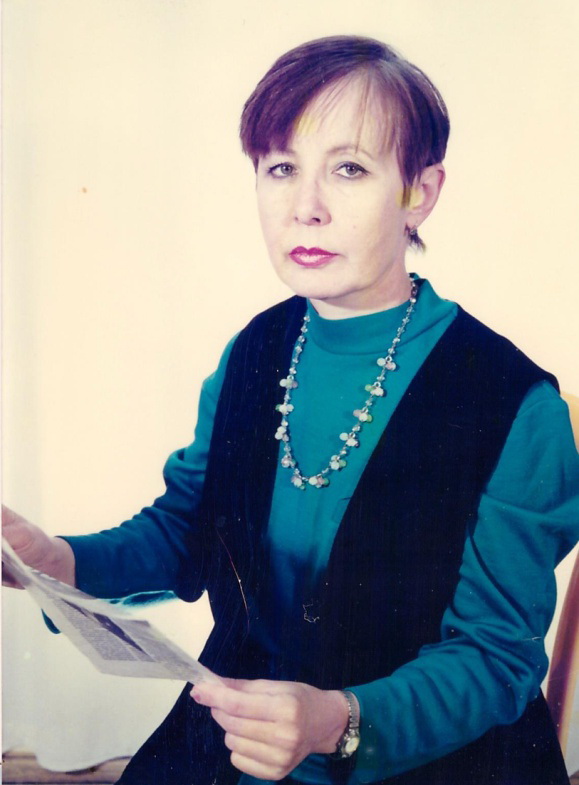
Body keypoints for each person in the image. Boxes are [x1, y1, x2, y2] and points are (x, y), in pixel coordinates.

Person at [3, 35, 579, 785]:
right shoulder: (254, 349)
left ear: (419, 192)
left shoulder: (518, 405)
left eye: (349, 169)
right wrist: (60, 560)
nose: (305, 208)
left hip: (429, 757)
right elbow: (186, 529)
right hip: (237, 736)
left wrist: (337, 720)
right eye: (280, 168)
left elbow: (496, 657)